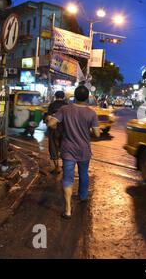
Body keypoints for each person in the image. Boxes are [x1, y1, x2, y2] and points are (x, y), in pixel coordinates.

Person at [47, 86, 101, 219]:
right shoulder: (91, 113)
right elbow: (97, 134)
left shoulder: (65, 109)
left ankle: (68, 210)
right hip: (84, 150)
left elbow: (51, 123)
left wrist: (53, 123)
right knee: (83, 173)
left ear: (74, 97)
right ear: (87, 98)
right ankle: (83, 196)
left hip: (68, 150)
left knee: (68, 178)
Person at [47, 91, 68, 174]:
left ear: (55, 96)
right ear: (64, 97)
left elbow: (48, 117)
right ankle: (65, 165)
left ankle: (57, 167)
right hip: (65, 129)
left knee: (53, 147)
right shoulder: (67, 106)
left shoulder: (52, 105)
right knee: (65, 148)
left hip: (54, 129)